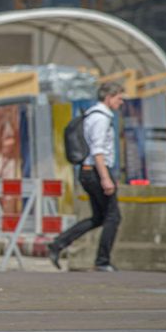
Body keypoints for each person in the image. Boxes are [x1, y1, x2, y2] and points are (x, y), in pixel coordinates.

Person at [47, 81, 124, 272]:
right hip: (96, 171)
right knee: (113, 217)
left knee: (99, 217)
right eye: (119, 98)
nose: (121, 102)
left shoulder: (92, 115)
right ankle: (102, 261)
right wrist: (106, 178)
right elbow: (97, 151)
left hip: (90, 172)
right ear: (109, 98)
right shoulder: (101, 118)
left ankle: (58, 243)